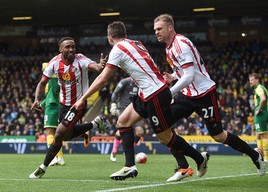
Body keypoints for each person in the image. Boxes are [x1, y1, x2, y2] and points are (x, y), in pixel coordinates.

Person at [72, 21, 209, 181]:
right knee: (123, 122)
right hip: (147, 93)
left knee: (165, 138)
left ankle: (199, 159)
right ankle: (129, 166)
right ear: (125, 35)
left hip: (156, 93)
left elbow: (102, 78)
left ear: (110, 38)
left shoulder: (117, 48)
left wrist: (83, 98)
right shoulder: (135, 43)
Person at [153, 13, 266, 182]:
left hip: (204, 94)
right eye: (155, 30)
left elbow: (190, 75)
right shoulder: (168, 48)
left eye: (159, 28)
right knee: (162, 127)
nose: (156, 32)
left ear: (170, 28)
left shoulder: (181, 44)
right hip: (187, 95)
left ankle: (255, 155)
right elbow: (184, 71)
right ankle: (186, 165)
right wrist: (174, 77)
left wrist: (171, 91)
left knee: (218, 136)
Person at [29, 37, 108, 179]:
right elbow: (42, 83)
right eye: (68, 47)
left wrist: (100, 66)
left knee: (58, 134)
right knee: (65, 135)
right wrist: (36, 99)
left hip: (79, 104)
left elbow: (94, 67)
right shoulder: (54, 63)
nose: (71, 49)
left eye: (73, 46)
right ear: (61, 49)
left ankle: (42, 167)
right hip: (64, 104)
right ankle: (95, 123)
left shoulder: (81, 60)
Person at [109, 77, 145, 162]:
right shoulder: (125, 82)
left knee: (140, 131)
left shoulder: (141, 82)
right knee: (122, 131)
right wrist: (113, 104)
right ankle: (114, 151)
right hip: (124, 109)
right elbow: (115, 93)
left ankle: (129, 151)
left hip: (136, 109)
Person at [39, 62, 65, 166]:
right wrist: (41, 104)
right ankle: (60, 158)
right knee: (55, 135)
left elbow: (51, 94)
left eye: (43, 68)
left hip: (52, 107)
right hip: (56, 105)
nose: (42, 70)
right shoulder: (54, 81)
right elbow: (49, 95)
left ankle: (53, 157)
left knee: (49, 133)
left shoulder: (52, 80)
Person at [249, 73, 268, 161]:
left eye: (252, 80)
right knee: (258, 136)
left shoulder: (259, 88)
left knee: (263, 135)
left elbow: (263, 98)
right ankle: (261, 156)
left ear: (257, 80)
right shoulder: (261, 88)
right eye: (250, 80)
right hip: (263, 112)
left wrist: (259, 109)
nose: (250, 82)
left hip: (261, 113)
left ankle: (266, 158)